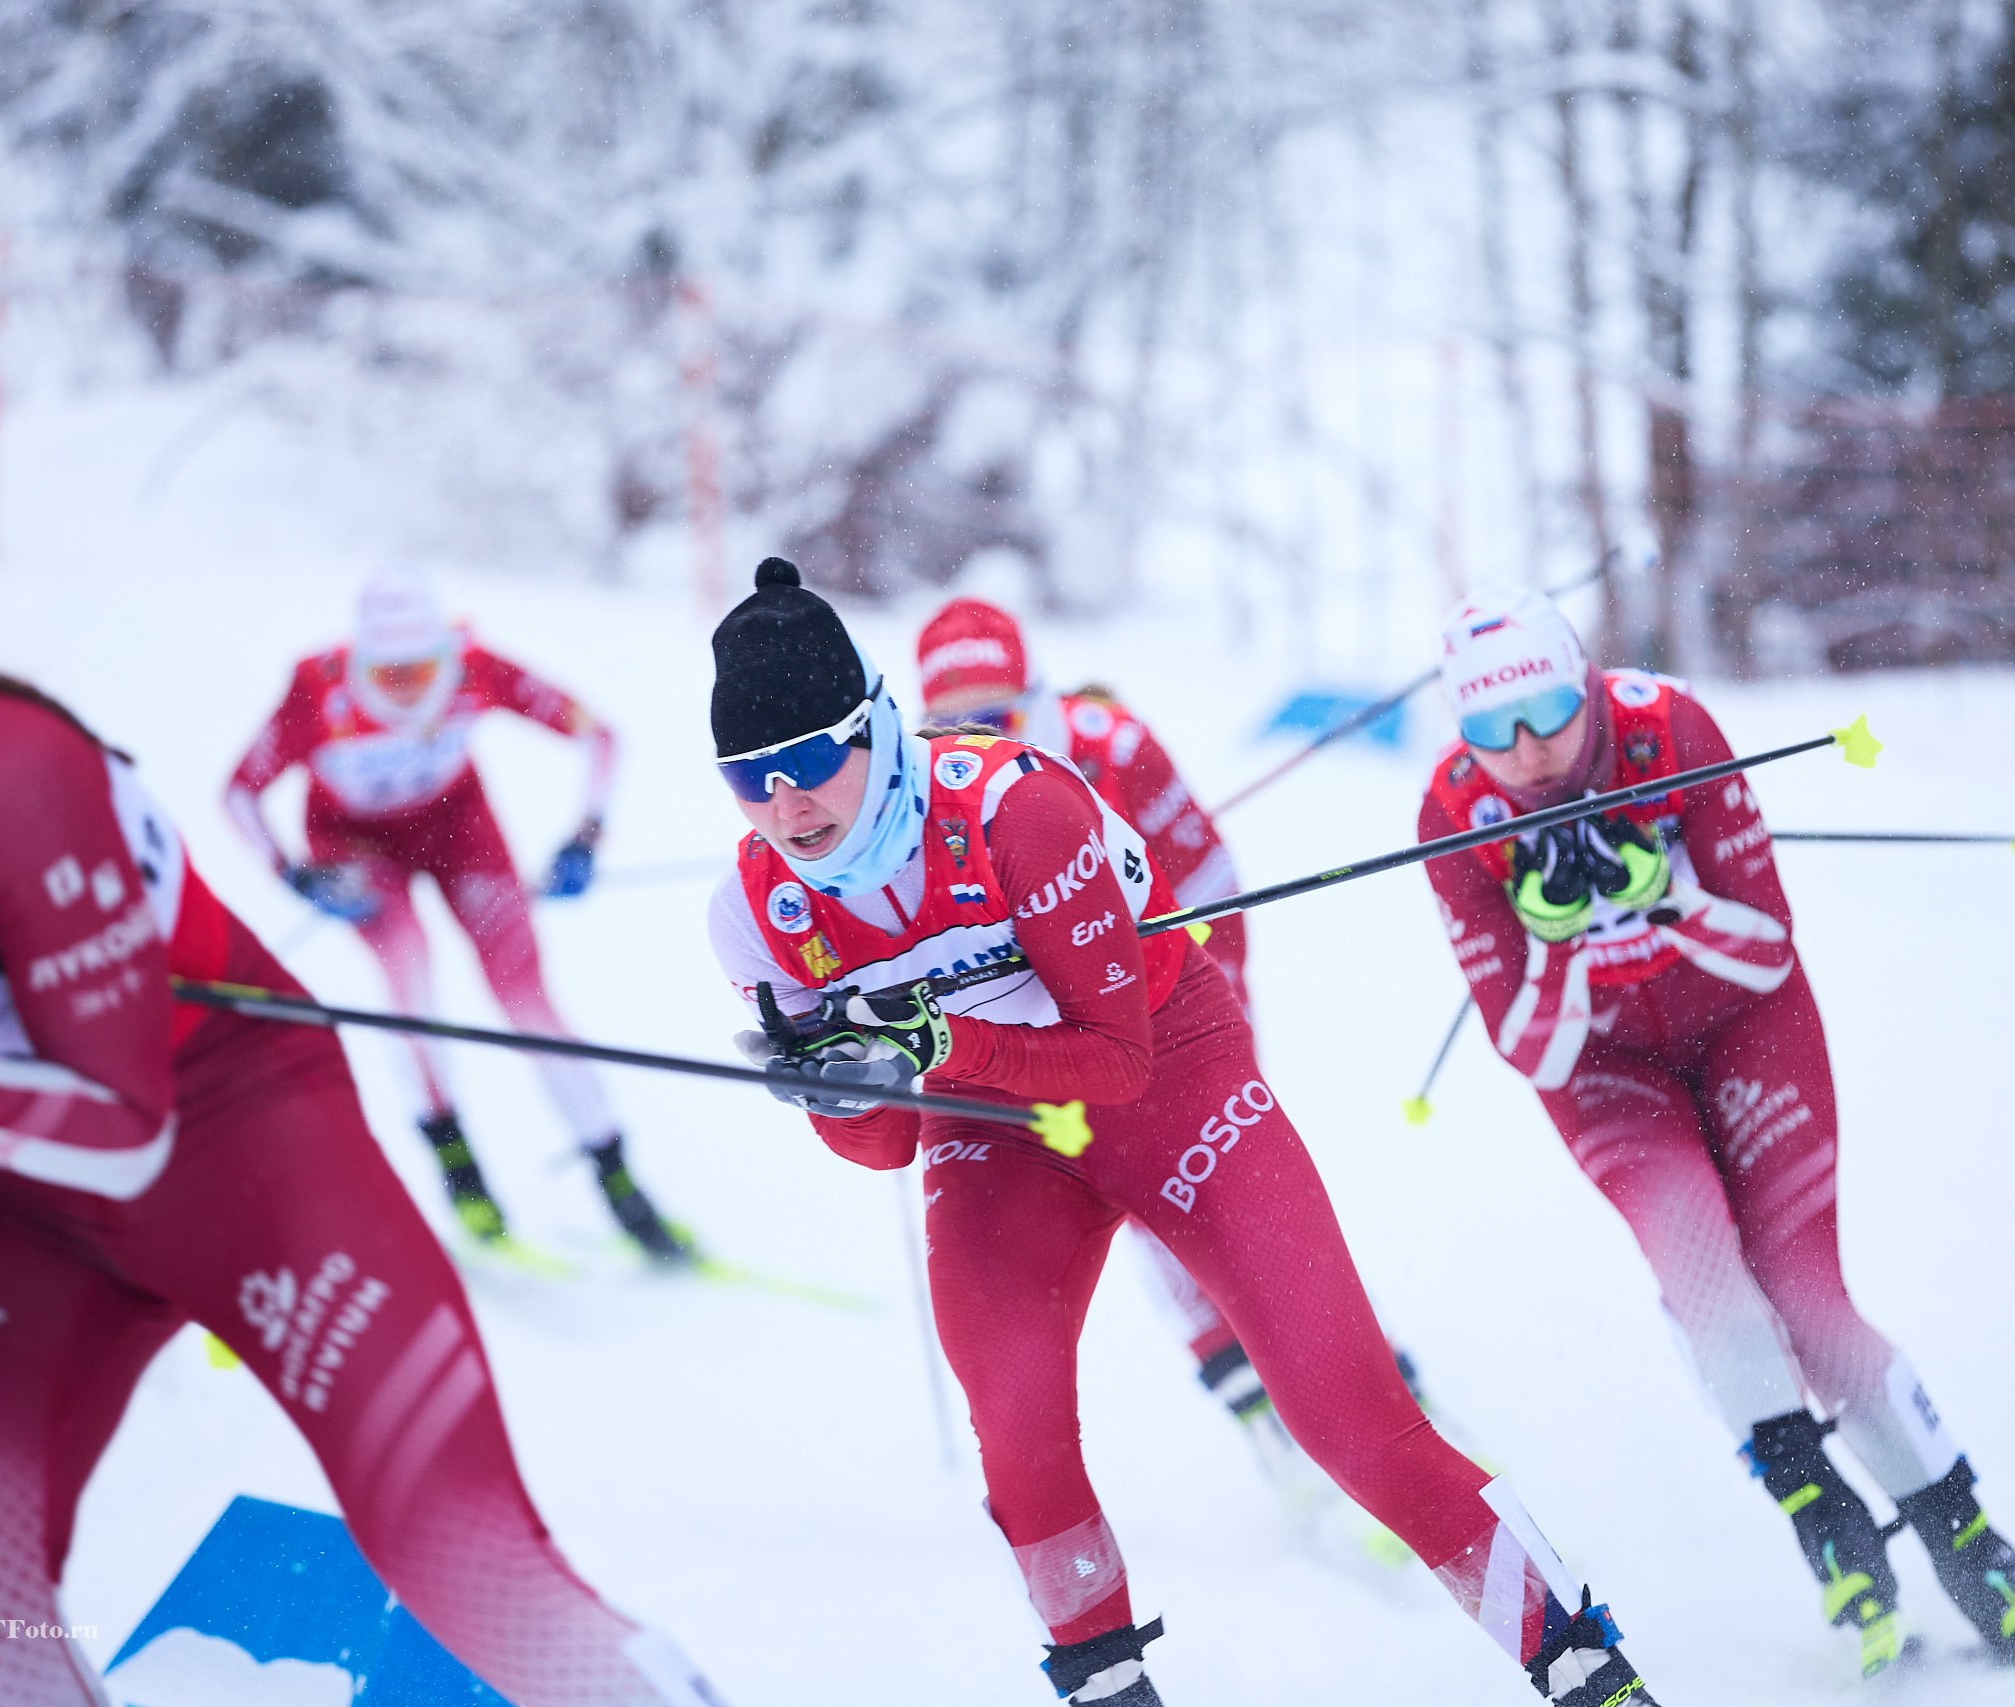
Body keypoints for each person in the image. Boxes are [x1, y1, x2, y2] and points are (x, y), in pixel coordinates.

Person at [707, 557, 1662, 1707]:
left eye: (811, 761)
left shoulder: (1017, 808)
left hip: (1169, 1080)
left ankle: (1586, 1671)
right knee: (1015, 1429)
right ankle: (1109, 1690)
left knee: (1353, 1423)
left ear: (878, 729)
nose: (786, 803)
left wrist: (933, 1045)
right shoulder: (756, 915)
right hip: (1004, 1135)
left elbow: (1117, 1062)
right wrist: (841, 1096)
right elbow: (885, 1151)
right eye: (747, 780)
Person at [0, 650, 720, 1707]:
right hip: (3, 1180)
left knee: (471, 1565)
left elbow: (124, 1122)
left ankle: (591, 1168)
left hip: (228, 1133)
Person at [1418, 588, 2015, 1699]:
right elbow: (1527, 1047)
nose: (1525, 752)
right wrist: (1575, 940)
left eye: (1542, 712)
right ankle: (1825, 1523)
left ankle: (1974, 1548)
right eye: (1490, 731)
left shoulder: (1665, 732)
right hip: (1606, 1074)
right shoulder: (1453, 818)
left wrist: (1661, 898)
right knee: (1708, 1284)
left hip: (1744, 1027)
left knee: (1807, 1303)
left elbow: (1765, 947)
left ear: (1581, 682)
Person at [914, 595, 1440, 1550]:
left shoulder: (1110, 742)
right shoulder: (917, 797)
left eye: (998, 718)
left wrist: (1185, 1011)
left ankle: (1381, 1397)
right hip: (1032, 1054)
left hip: (1166, 1007)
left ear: (1036, 697)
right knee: (1152, 1228)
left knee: (1236, 1210)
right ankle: (1264, 1427)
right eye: (953, 725)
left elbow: (1210, 876)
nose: (976, 742)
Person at [227, 568, 692, 1263]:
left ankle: (622, 1185)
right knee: (412, 996)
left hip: (458, 828)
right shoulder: (319, 688)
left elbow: (600, 735)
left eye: (423, 666)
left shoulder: (475, 667)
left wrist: (587, 835)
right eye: (388, 670)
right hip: (354, 845)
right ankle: (464, 1179)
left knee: (526, 997)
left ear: (447, 651)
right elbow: (239, 792)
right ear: (359, 661)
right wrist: (293, 873)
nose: (409, 685)